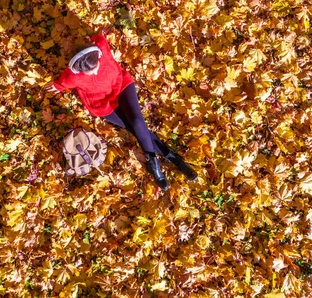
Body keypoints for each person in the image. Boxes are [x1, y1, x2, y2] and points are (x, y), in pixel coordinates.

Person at [43, 26, 197, 190]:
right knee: (134, 128)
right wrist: (55, 86)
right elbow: (60, 84)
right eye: (89, 72)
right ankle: (173, 159)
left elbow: (99, 37)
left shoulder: (101, 46)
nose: (95, 72)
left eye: (96, 66)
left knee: (138, 122)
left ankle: (158, 165)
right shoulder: (72, 76)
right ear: (79, 69)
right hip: (102, 104)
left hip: (121, 85)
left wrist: (96, 35)